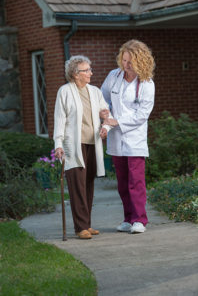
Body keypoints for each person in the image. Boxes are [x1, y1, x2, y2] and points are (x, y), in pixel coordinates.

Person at [100, 39, 155, 234]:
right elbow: (103, 98)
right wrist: (106, 116)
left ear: (140, 61)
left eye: (130, 62)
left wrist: (118, 122)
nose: (126, 65)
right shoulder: (114, 76)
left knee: (136, 182)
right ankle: (128, 219)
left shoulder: (146, 83)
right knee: (123, 183)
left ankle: (140, 219)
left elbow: (142, 115)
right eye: (124, 60)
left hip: (135, 139)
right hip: (116, 139)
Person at [53, 55, 111, 239]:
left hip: (93, 144)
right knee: (77, 185)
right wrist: (58, 144)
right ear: (75, 74)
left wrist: (105, 126)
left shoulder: (95, 91)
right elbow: (59, 120)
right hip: (73, 146)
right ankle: (80, 227)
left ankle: (87, 224)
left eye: (89, 69)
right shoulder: (65, 91)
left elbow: (106, 113)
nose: (90, 73)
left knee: (88, 184)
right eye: (86, 70)